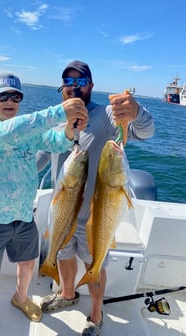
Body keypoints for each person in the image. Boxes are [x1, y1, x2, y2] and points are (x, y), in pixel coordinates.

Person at [37, 60, 155, 336]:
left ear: (90, 85)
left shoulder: (106, 115)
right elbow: (38, 158)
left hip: (96, 216)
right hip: (62, 211)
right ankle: (67, 294)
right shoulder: (55, 119)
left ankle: (96, 315)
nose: (74, 87)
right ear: (62, 88)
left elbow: (145, 131)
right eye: (68, 82)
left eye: (80, 81)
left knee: (94, 265)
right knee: (63, 256)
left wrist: (136, 111)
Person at [0, 71, 88, 336]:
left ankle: (20, 297)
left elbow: (53, 142)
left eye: (16, 96)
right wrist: (59, 112)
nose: (10, 101)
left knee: (28, 265)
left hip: (23, 216)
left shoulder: (24, 128)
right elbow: (7, 133)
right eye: (2, 96)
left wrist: (69, 131)